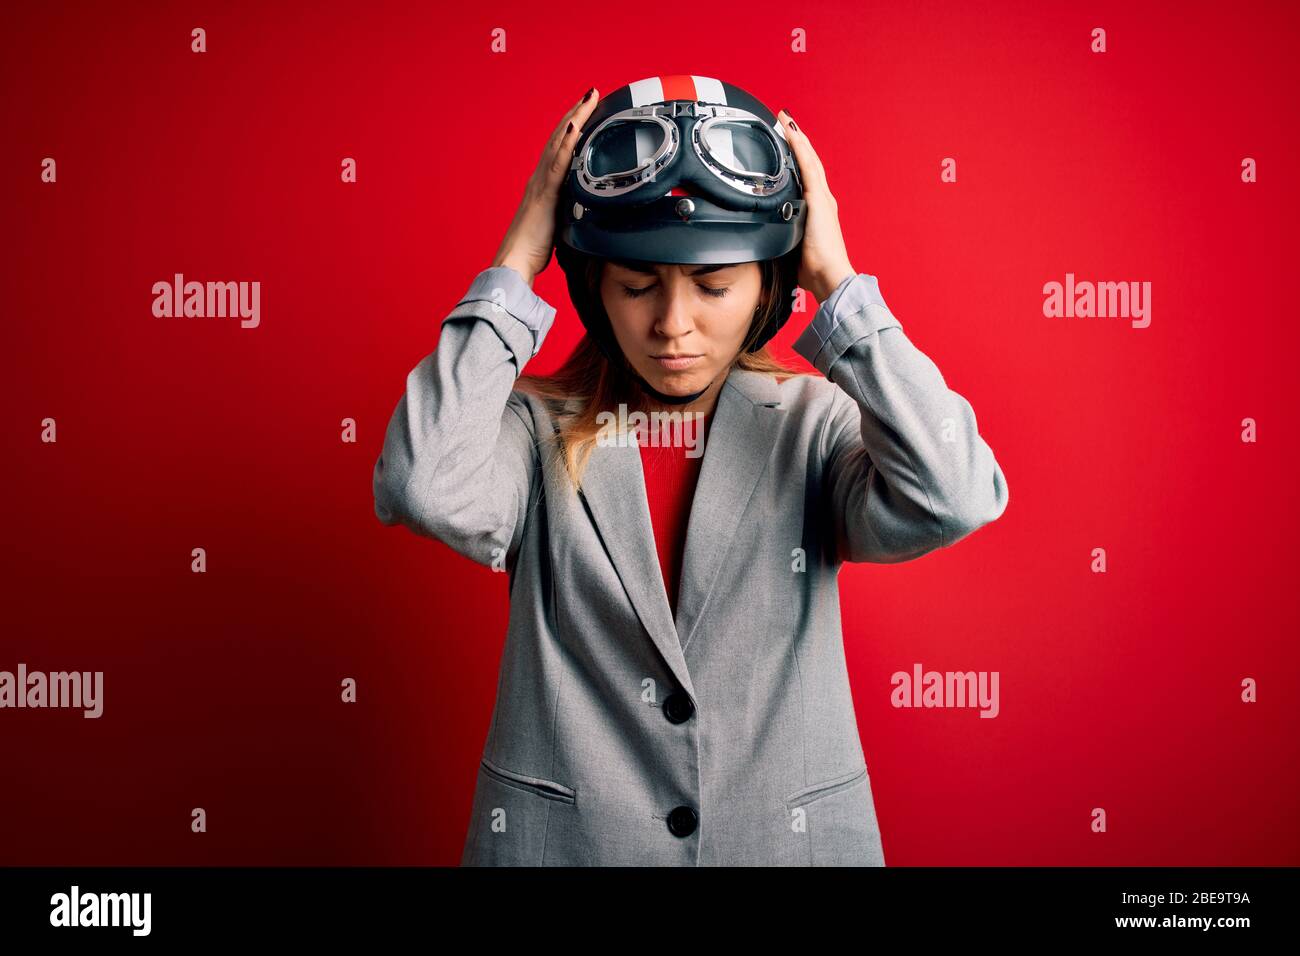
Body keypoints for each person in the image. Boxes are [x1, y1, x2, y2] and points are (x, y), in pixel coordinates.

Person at [373, 75, 1010, 865]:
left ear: (771, 287)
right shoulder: (532, 434)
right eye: (637, 286)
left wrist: (841, 286)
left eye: (713, 286)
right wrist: (517, 260)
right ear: (592, 286)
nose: (673, 326)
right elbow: (420, 482)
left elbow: (952, 494)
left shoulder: (813, 428)